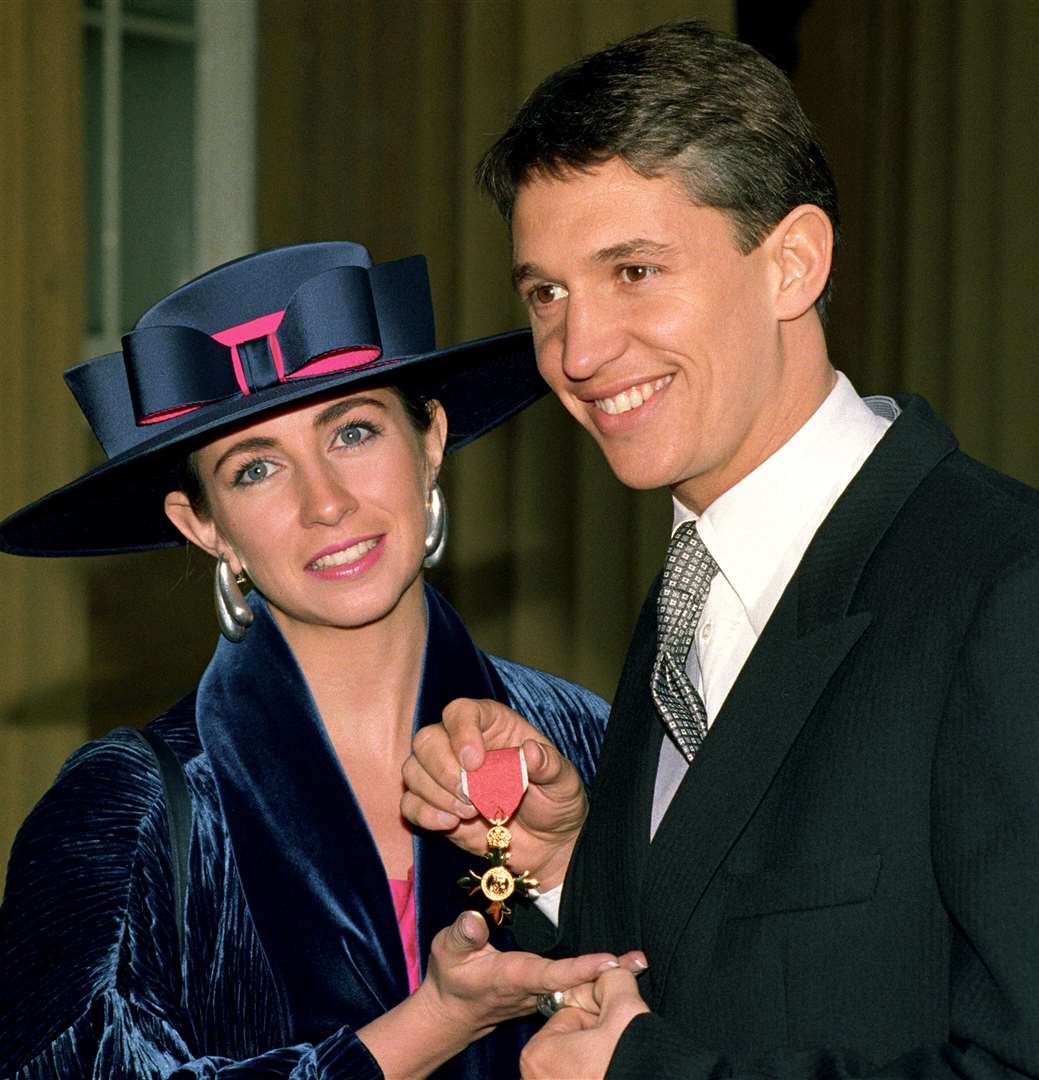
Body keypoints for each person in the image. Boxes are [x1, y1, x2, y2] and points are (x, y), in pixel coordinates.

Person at [401, 22, 1039, 1080]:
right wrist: (555, 865)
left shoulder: (1002, 588)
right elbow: (688, 978)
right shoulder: (691, 588)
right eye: (544, 293)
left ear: (790, 264)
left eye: (634, 271)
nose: (576, 350)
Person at [0, 242, 637, 1080]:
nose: (325, 503)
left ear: (429, 438)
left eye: (352, 431)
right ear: (202, 524)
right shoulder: (124, 809)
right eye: (254, 471)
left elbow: (719, 1021)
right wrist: (429, 1026)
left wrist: (563, 875)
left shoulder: (587, 739)